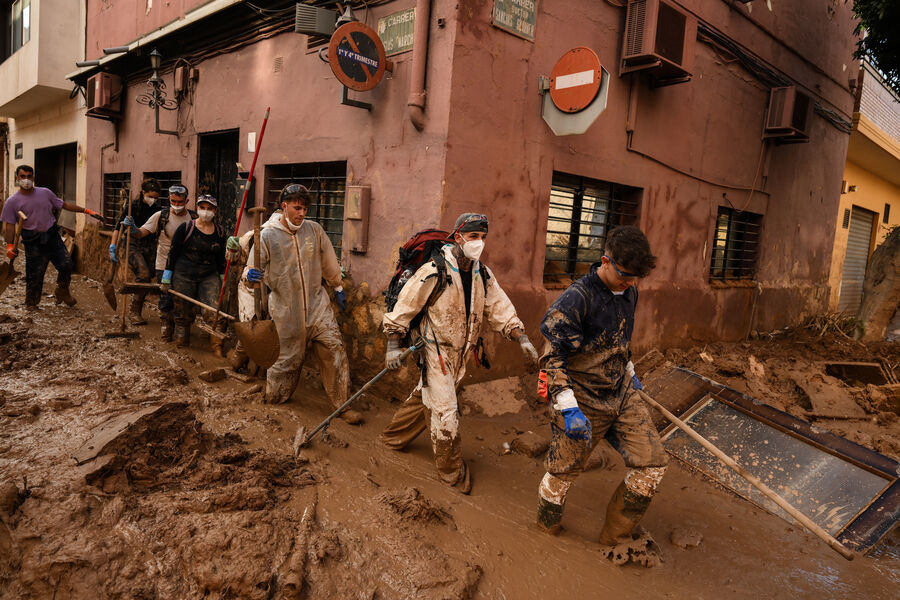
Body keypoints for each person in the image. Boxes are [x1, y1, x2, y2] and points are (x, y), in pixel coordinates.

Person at [536, 225, 666, 567]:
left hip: (620, 391)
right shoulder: (576, 299)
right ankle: (545, 531)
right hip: (581, 397)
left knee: (652, 466)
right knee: (562, 475)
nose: (631, 283)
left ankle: (615, 537)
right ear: (605, 261)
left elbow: (619, 339)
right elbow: (553, 359)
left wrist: (631, 372)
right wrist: (567, 407)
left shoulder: (630, 291)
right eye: (625, 275)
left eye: (637, 277)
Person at [381, 213, 538, 494]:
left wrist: (521, 336)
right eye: (474, 236)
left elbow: (500, 307)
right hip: (436, 350)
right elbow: (404, 309)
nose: (479, 243)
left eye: (483, 237)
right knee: (446, 412)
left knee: (425, 396)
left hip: (461, 353)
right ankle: (451, 471)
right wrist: (393, 346)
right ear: (458, 237)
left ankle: (393, 437)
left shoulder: (482, 273)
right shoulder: (433, 271)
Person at [242, 184, 361, 424]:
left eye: (305, 208)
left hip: (318, 307)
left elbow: (328, 259)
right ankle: (274, 401)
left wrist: (337, 286)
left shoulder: (314, 230)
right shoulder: (266, 235)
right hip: (286, 311)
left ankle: (342, 405)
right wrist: (249, 277)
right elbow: (252, 270)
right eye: (297, 208)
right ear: (284, 206)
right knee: (286, 361)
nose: (302, 213)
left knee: (335, 352)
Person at [1, 164, 102, 309]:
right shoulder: (12, 202)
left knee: (67, 264)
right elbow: (9, 226)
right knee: (35, 274)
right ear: (17, 178)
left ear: (33, 177)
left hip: (52, 236)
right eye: (23, 176)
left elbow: (65, 205)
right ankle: (31, 303)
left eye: (29, 176)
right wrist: (10, 246)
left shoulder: (45, 193)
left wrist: (87, 211)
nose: (26, 180)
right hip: (33, 241)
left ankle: (62, 290)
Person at [125, 184, 194, 341]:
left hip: (185, 265)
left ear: (187, 200)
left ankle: (182, 326)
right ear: (169, 199)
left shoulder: (193, 218)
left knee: (183, 297)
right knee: (165, 295)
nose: (176, 205)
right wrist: (133, 229)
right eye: (173, 201)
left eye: (180, 202)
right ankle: (166, 325)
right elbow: (142, 233)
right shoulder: (161, 216)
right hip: (163, 264)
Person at [159, 194, 226, 349]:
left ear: (215, 211)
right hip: (184, 274)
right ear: (197, 208)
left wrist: (223, 277)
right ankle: (182, 345)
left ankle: (217, 347)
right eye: (202, 208)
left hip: (209, 275)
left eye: (209, 209)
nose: (205, 211)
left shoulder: (220, 232)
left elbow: (221, 258)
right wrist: (166, 277)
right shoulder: (186, 228)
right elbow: (173, 253)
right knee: (183, 310)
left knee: (214, 310)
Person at [110, 178, 162, 325]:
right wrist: (112, 247)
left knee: (149, 275)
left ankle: (137, 308)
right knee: (143, 274)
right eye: (150, 196)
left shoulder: (158, 209)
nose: (153, 200)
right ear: (143, 192)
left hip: (150, 244)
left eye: (156, 197)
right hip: (133, 243)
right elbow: (117, 227)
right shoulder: (132, 207)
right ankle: (134, 312)